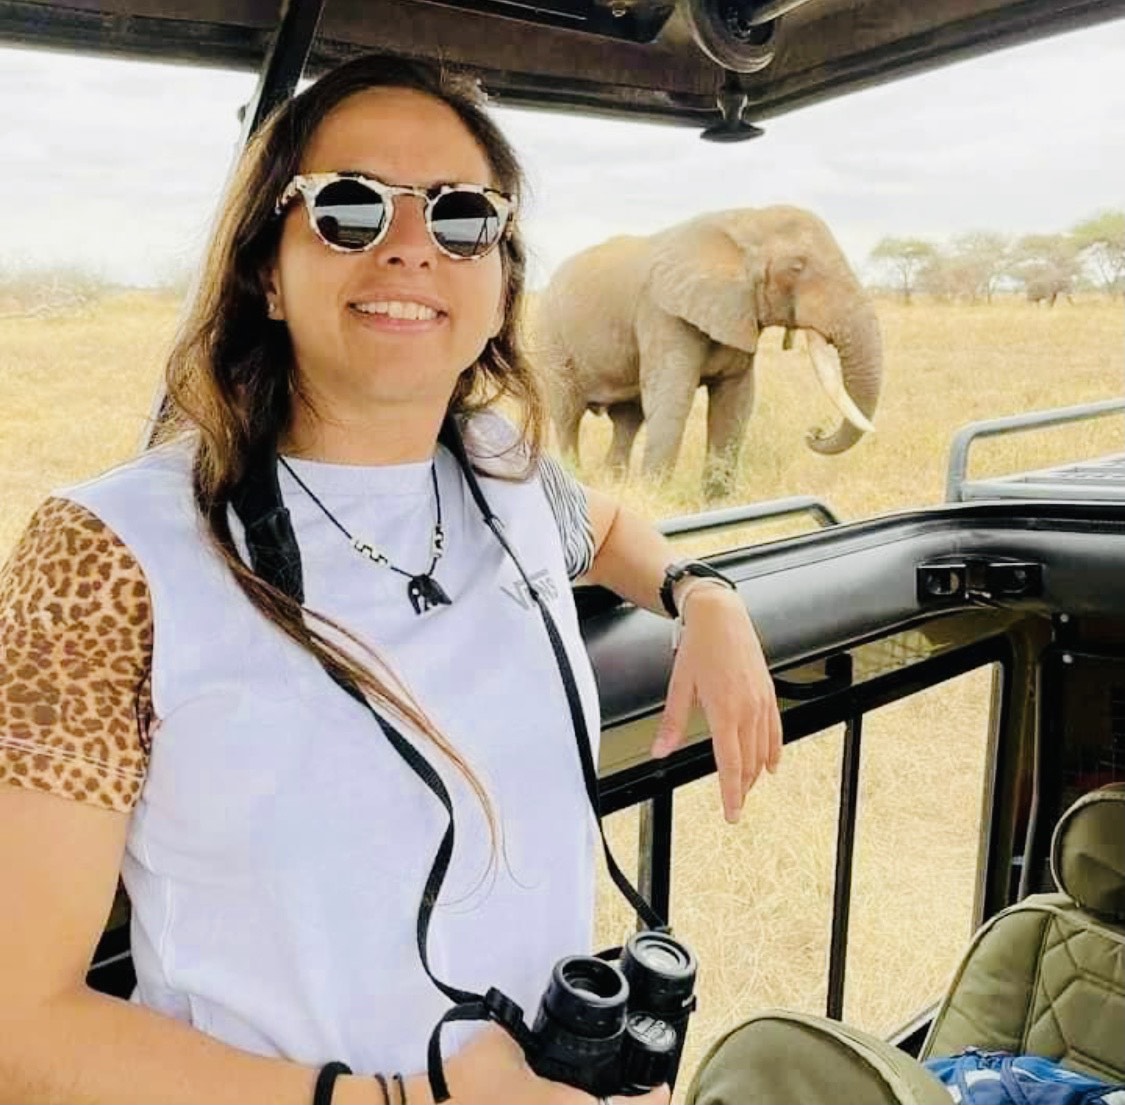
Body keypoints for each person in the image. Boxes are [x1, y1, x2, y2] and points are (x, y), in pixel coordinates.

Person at [0, 55, 782, 1105]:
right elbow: (20, 1026)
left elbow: (602, 531)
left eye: (463, 217)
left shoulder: (503, 472)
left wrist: (701, 593)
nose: (412, 245)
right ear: (266, 272)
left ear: (500, 285)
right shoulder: (108, 552)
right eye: (350, 208)